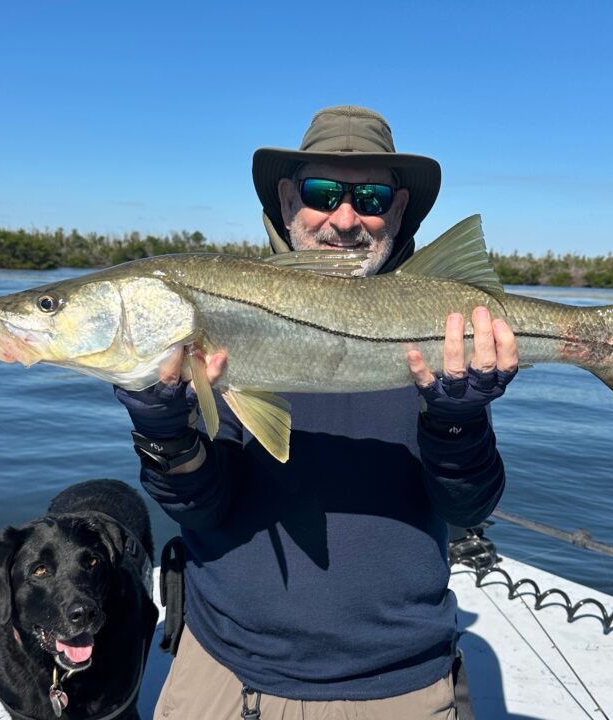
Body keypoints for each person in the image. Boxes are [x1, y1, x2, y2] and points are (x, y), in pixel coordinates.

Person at [115, 105, 519, 719]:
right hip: (224, 671)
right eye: (323, 191)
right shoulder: (211, 322)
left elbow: (468, 509)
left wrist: (456, 423)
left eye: (373, 196)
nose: (346, 218)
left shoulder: (446, 328)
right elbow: (202, 505)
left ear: (401, 209)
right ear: (286, 198)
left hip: (395, 686)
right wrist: (164, 431)